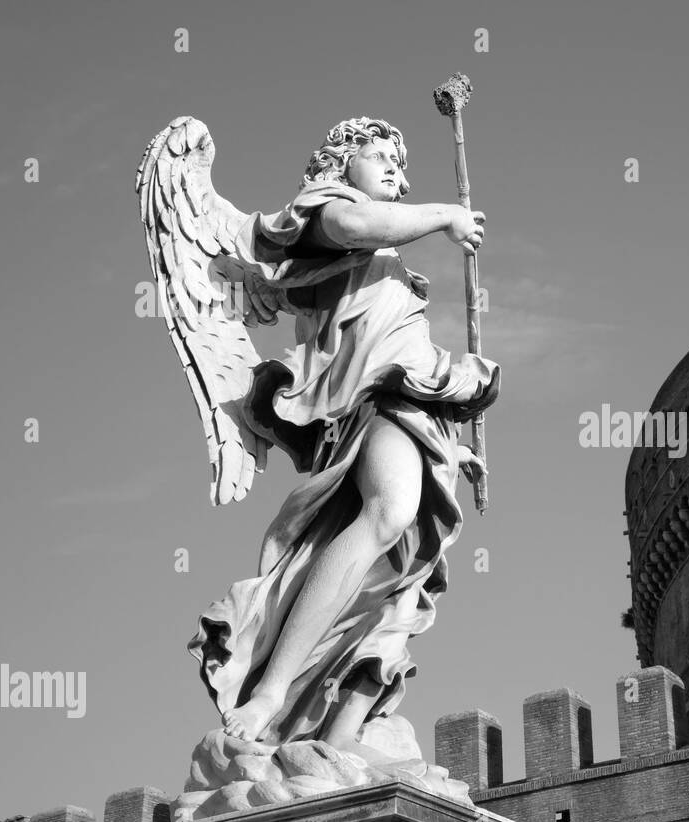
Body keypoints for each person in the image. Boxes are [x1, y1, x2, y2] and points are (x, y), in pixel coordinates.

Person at [187, 117, 500, 751]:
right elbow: (355, 229)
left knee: (403, 575)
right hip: (366, 403)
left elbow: (405, 346)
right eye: (382, 155)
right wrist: (443, 215)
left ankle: (343, 733)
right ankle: (274, 690)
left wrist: (451, 445)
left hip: (412, 411)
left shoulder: (384, 256)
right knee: (390, 513)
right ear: (340, 159)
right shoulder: (327, 215)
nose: (396, 171)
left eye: (401, 163)